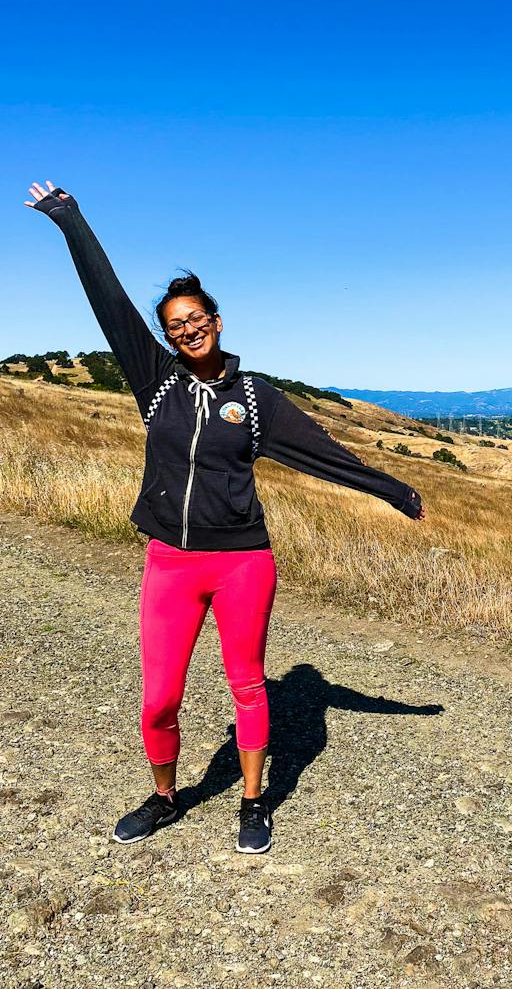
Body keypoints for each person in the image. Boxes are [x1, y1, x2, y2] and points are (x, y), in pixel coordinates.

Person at [24, 180, 426, 853]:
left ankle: (252, 800)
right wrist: (68, 217)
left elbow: (321, 452)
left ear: (216, 318)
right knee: (159, 696)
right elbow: (109, 300)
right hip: (171, 562)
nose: (187, 328)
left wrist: (390, 489)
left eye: (196, 317)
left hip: (243, 560)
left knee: (247, 682)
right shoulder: (155, 381)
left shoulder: (256, 397)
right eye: (175, 324)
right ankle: (163, 796)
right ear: (168, 335)